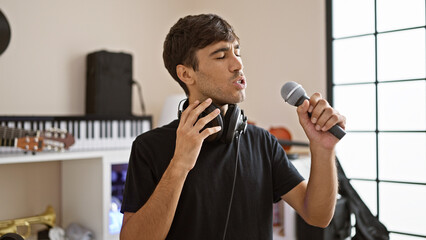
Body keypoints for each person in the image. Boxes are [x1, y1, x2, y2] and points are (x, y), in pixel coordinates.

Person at [120, 13, 346, 240]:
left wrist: (323, 150)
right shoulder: (149, 147)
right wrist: (179, 165)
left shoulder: (263, 142)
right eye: (221, 56)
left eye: (237, 52)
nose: (238, 64)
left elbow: (318, 216)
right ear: (186, 73)